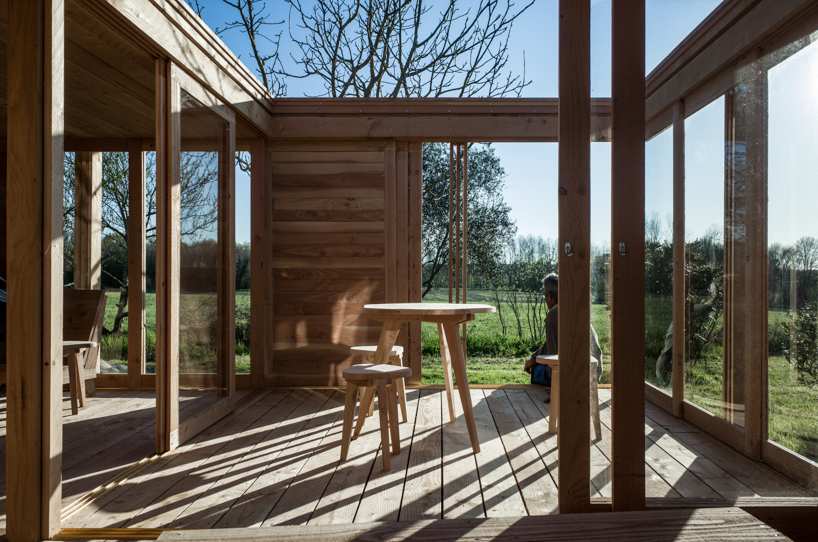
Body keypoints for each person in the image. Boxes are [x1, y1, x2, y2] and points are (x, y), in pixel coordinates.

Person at [524, 273, 603, 402]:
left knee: (537, 369)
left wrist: (558, 391)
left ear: (549, 296)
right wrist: (533, 358)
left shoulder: (555, 314)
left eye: (545, 295)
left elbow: (554, 353)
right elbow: (552, 342)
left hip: (575, 380)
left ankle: (540, 400)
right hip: (591, 375)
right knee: (536, 363)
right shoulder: (572, 308)